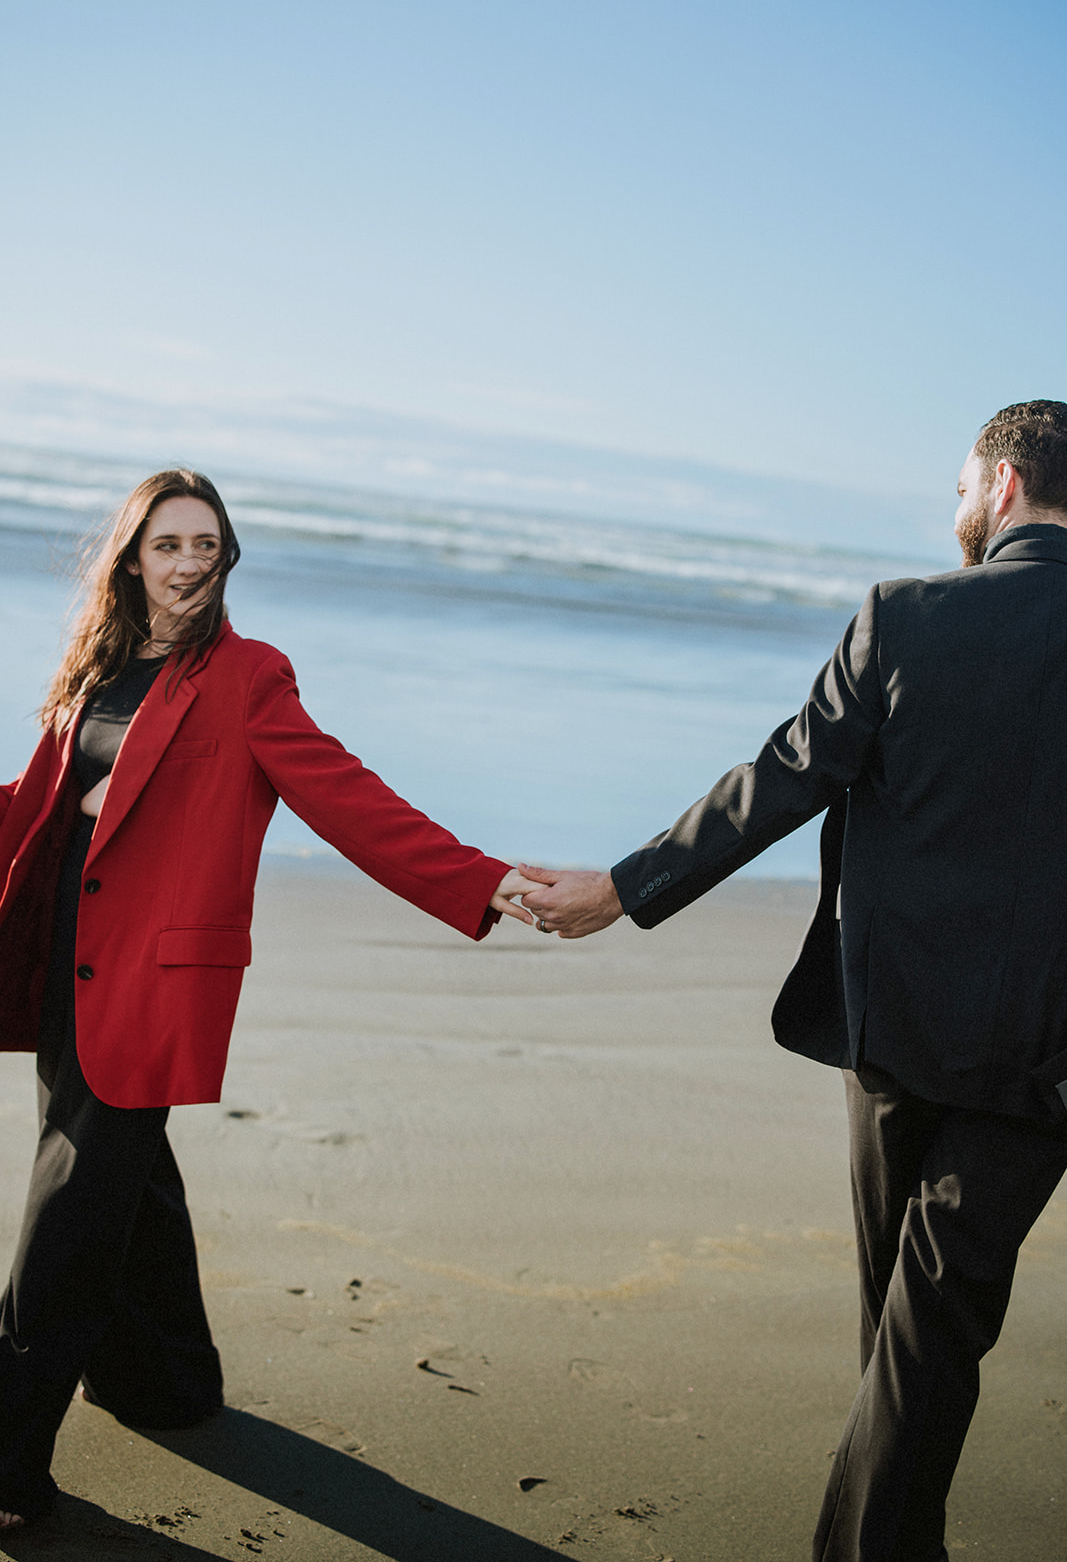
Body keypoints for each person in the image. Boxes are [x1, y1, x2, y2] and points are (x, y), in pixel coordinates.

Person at [520, 400, 1067, 1562]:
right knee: (924, 1322)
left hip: (898, 1025)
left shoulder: (907, 616)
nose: (955, 507)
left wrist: (624, 888)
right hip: (1047, 1049)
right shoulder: (912, 614)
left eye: (961, 484)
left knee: (908, 1318)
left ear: (1002, 486)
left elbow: (785, 774)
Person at [0, 468, 541, 1528]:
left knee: (68, 1212)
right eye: (169, 544)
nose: (190, 561)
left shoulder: (247, 675)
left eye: (208, 544)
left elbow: (346, 796)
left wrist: (481, 878)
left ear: (226, 556)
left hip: (153, 979)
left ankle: (7, 1463)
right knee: (121, 1171)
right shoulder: (98, 666)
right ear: (130, 559)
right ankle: (165, 1380)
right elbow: (36, 797)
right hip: (64, 955)